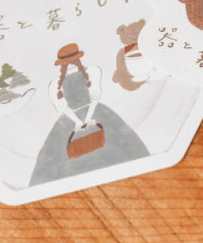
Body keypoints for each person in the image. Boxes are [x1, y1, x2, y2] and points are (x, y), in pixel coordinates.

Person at [29, 42, 149, 186]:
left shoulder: (91, 72)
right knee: (56, 155)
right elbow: (64, 108)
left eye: (71, 61)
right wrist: (78, 122)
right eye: (67, 62)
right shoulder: (57, 83)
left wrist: (87, 119)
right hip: (72, 119)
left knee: (122, 145)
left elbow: (94, 99)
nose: (70, 64)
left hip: (94, 112)